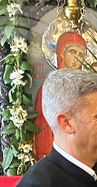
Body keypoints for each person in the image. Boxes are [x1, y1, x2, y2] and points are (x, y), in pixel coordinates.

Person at [33, 31, 89, 160]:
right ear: (61, 53)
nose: (76, 59)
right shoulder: (47, 90)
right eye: (72, 52)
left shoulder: (89, 90)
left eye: (81, 54)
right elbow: (43, 128)